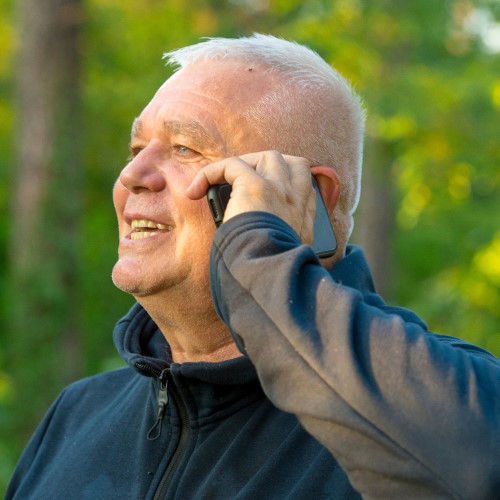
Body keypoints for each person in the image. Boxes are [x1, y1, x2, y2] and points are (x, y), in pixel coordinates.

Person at [6, 34, 500, 499]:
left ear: (307, 198)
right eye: (137, 150)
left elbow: (475, 469)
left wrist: (261, 258)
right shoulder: (76, 414)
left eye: (185, 149)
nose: (132, 175)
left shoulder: (448, 398)